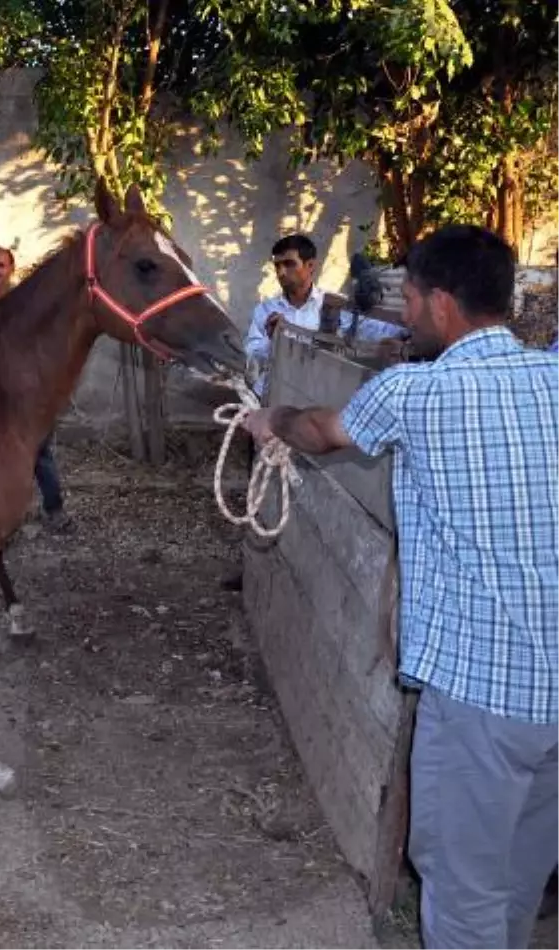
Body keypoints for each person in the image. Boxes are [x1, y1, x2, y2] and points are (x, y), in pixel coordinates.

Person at [242, 224, 559, 950]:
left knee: (460, 886)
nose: (406, 313)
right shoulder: (552, 378)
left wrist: (271, 419)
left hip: (485, 695)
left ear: (442, 303)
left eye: (411, 298)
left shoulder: (417, 392)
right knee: (518, 874)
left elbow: (323, 430)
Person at [0, 246, 71, 532]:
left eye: (0, 265)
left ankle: (54, 509)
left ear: (12, 268)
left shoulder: (29, 304)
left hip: (27, 393)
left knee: (39, 452)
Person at [245, 234, 407, 398]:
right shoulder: (265, 310)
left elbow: (377, 330)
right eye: (277, 266)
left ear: (310, 265)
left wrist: (408, 323)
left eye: (289, 264)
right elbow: (251, 355)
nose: (281, 272)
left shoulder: (334, 306)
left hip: (315, 398)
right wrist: (273, 339)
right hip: (271, 395)